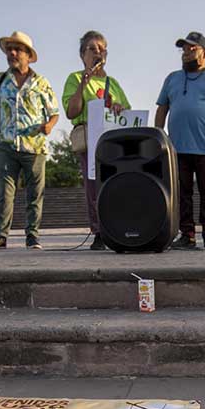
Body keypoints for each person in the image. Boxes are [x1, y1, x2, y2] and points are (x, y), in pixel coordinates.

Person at [0, 31, 59, 251]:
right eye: (9, 49)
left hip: (34, 147)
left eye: (17, 49)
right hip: (6, 145)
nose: (12, 53)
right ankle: (0, 236)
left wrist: (50, 126)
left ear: (28, 55)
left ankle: (32, 236)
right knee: (5, 191)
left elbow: (54, 112)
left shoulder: (41, 82)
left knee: (35, 193)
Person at [154, 31, 205, 249]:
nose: (186, 53)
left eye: (192, 49)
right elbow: (162, 109)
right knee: (182, 193)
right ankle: (187, 235)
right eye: (184, 49)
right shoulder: (172, 78)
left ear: (204, 53)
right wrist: (157, 137)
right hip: (177, 148)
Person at [62, 30, 130, 251]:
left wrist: (118, 107)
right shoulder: (74, 79)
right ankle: (99, 232)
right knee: (93, 187)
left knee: (117, 185)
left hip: (113, 141)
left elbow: (127, 112)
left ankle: (119, 228)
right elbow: (72, 112)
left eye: (102, 49)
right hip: (91, 139)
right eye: (92, 48)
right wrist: (84, 82)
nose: (98, 52)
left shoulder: (113, 83)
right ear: (83, 55)